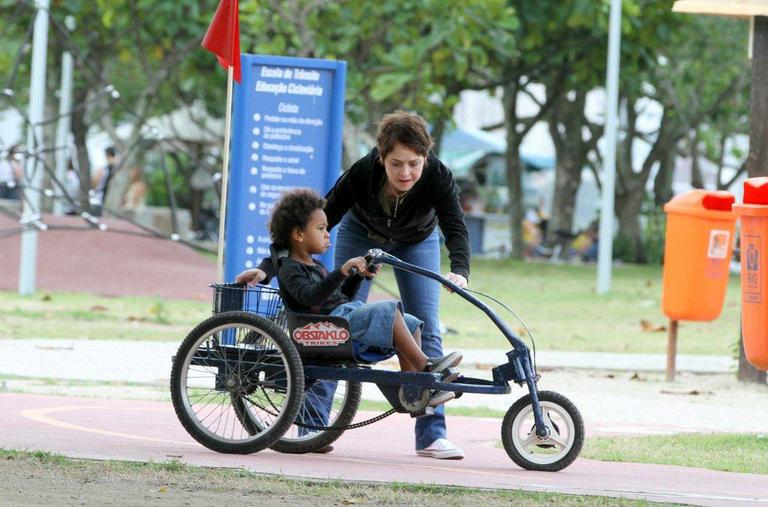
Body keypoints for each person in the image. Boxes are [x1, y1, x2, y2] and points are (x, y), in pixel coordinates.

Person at [237, 110, 471, 460]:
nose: (405, 172)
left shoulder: (437, 175)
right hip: (361, 233)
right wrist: (267, 268)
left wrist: (460, 271)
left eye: (414, 163)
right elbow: (314, 222)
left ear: (426, 157)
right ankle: (312, 427)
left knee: (427, 323)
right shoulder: (362, 173)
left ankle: (431, 434)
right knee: (332, 325)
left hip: (418, 240)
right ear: (381, 157)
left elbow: (455, 225)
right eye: (396, 164)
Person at [271, 188, 462, 398]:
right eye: (321, 228)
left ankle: (413, 391)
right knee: (388, 309)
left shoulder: (315, 265)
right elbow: (311, 297)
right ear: (298, 234)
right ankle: (425, 366)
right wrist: (341, 272)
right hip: (326, 327)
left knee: (411, 322)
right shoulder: (290, 268)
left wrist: (358, 276)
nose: (327, 234)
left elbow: (340, 297)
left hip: (342, 317)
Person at [91, 146, 117, 215]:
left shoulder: (103, 170)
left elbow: (94, 182)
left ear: (107, 155)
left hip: (101, 198)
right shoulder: (118, 168)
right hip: (110, 198)